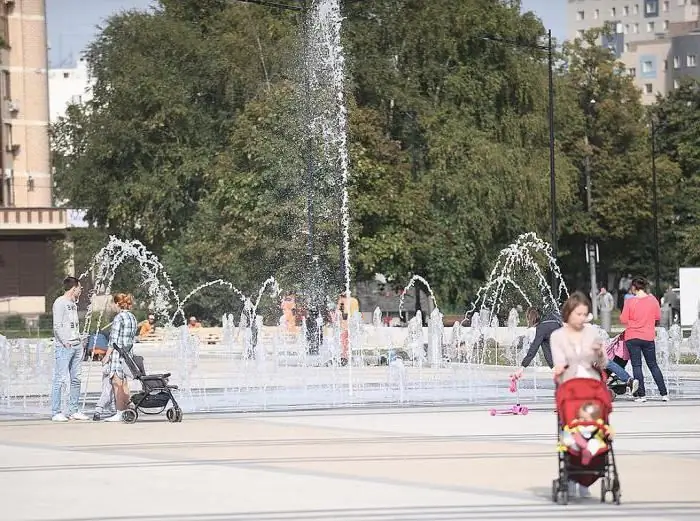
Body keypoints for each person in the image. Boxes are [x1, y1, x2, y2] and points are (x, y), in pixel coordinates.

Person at [550, 291, 608, 498]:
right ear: (569, 313)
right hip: (570, 385)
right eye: (578, 314)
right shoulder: (557, 336)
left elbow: (604, 363)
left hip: (591, 385)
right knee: (570, 427)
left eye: (585, 314)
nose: (582, 318)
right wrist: (559, 369)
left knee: (594, 426)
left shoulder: (592, 332)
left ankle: (588, 475)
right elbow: (559, 362)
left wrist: (599, 352)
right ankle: (572, 474)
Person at [620, 277, 669, 403]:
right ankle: (664, 394)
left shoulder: (630, 302)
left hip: (632, 336)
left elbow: (623, 319)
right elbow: (657, 316)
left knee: (637, 366)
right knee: (653, 365)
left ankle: (642, 395)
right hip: (648, 336)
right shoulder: (653, 300)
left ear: (634, 287)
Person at [51, 276, 90, 422]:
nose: (81, 290)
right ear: (74, 288)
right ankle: (56, 411)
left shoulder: (73, 304)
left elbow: (72, 325)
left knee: (76, 379)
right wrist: (64, 341)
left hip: (76, 345)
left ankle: (73, 410)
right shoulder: (60, 302)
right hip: (64, 346)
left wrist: (80, 338)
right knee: (60, 379)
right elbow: (57, 326)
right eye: (80, 288)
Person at [98, 293, 138, 422]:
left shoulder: (119, 318)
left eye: (113, 303)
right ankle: (128, 409)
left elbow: (113, 340)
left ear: (117, 304)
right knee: (124, 383)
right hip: (128, 354)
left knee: (117, 383)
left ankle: (119, 412)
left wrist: (106, 356)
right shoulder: (132, 317)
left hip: (117, 354)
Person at [514, 308, 562, 377]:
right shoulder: (552, 317)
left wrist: (522, 368)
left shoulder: (542, 328)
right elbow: (547, 350)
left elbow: (534, 348)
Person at [337, 291, 360, 365]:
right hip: (353, 324)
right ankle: (349, 357)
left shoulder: (343, 300)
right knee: (349, 341)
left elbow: (341, 312)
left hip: (345, 324)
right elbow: (356, 312)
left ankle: (344, 357)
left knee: (344, 341)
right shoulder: (354, 300)